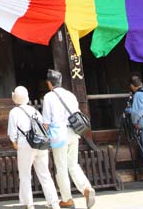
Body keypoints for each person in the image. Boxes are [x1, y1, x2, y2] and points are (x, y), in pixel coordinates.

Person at [41, 69, 95, 208]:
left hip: (59, 135)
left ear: (49, 83)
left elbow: (46, 121)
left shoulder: (49, 97)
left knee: (61, 168)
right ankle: (86, 189)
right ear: (60, 81)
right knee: (73, 164)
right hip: (73, 132)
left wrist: (42, 137)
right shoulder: (70, 95)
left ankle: (67, 199)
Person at [8, 85, 59, 209]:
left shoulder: (14, 112)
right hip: (40, 144)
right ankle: (54, 202)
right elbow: (41, 126)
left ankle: (29, 204)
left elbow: (12, 132)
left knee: (25, 174)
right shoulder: (34, 110)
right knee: (45, 174)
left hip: (25, 144)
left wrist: (15, 143)